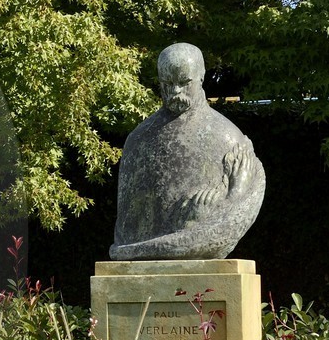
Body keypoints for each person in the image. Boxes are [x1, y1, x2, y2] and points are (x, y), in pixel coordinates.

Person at [111, 43, 266, 261]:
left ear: (201, 78)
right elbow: (126, 229)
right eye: (168, 84)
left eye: (184, 83)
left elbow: (236, 212)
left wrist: (231, 198)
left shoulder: (227, 138)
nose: (175, 91)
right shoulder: (139, 140)